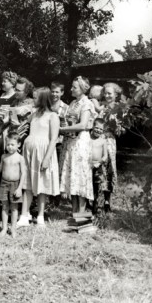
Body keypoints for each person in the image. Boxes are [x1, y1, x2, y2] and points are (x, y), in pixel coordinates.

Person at [18, 87, 60, 227]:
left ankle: (40, 215)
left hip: (42, 153)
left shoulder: (52, 116)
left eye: (35, 97)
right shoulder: (34, 114)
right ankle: (24, 215)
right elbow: (21, 121)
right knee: (27, 184)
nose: (32, 100)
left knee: (42, 184)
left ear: (42, 99)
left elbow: (53, 139)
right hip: (29, 152)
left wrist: (47, 158)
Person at [59, 76, 95, 214]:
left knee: (80, 176)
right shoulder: (74, 102)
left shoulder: (86, 103)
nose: (71, 89)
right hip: (70, 142)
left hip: (80, 143)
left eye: (74, 87)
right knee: (72, 176)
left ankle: (81, 215)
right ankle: (75, 213)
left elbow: (83, 125)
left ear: (82, 89)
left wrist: (62, 130)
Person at [0, 132, 26, 238]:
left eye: (12, 144)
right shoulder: (4, 157)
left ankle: (13, 228)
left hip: (15, 185)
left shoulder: (20, 158)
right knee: (4, 207)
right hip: (4, 184)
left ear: (18, 144)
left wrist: (19, 188)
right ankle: (4, 228)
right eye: (8, 144)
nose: (9, 147)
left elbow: (23, 173)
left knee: (14, 208)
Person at [97, 82, 122, 213]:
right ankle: (96, 198)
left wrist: (114, 124)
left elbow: (120, 131)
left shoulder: (119, 109)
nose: (107, 96)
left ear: (116, 95)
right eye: (105, 93)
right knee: (97, 166)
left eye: (110, 93)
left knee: (109, 167)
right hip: (97, 139)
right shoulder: (101, 107)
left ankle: (107, 200)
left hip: (109, 140)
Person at [90, 118, 109, 215]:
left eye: (101, 129)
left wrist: (99, 162)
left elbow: (105, 156)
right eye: (96, 127)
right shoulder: (88, 138)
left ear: (103, 131)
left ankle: (95, 205)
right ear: (92, 126)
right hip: (88, 166)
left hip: (98, 167)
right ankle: (86, 205)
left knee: (96, 187)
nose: (98, 130)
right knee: (87, 185)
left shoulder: (103, 141)